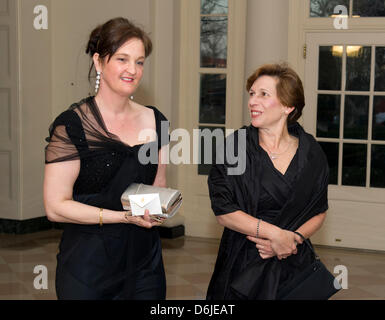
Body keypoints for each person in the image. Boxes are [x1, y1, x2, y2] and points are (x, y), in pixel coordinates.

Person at [43, 17, 169, 300]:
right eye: (122, 59)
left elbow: (157, 186)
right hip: (88, 265)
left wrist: (158, 208)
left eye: (139, 62)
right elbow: (55, 207)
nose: (132, 70)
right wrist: (123, 217)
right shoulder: (72, 126)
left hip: (144, 263)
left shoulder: (156, 121)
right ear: (99, 62)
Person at [206, 63, 329, 300]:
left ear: (287, 105)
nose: (252, 101)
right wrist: (276, 235)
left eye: (264, 94)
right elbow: (223, 209)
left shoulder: (311, 152)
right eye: (252, 94)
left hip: (293, 261)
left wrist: (293, 239)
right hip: (243, 264)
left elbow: (319, 210)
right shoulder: (235, 147)